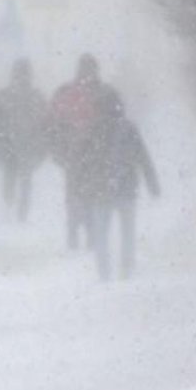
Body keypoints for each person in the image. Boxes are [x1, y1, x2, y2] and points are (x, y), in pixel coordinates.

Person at [75, 91, 160, 281]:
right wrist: (152, 183)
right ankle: (126, 269)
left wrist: (80, 186)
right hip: (126, 187)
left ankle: (104, 272)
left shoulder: (91, 129)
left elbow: (82, 161)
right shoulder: (128, 128)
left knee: (101, 234)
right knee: (127, 231)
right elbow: (143, 157)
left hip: (100, 189)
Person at [48, 54, 119, 249]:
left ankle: (76, 233)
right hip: (93, 154)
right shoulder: (106, 93)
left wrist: (58, 151)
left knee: (75, 194)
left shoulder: (65, 92)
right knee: (90, 193)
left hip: (75, 153)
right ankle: (88, 232)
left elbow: (52, 125)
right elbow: (117, 123)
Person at [0, 59, 49, 222]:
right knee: (17, 178)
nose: (22, 77)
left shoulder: (8, 95)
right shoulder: (33, 96)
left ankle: (16, 212)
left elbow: (43, 123)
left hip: (22, 144)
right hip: (15, 144)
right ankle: (14, 210)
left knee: (21, 179)